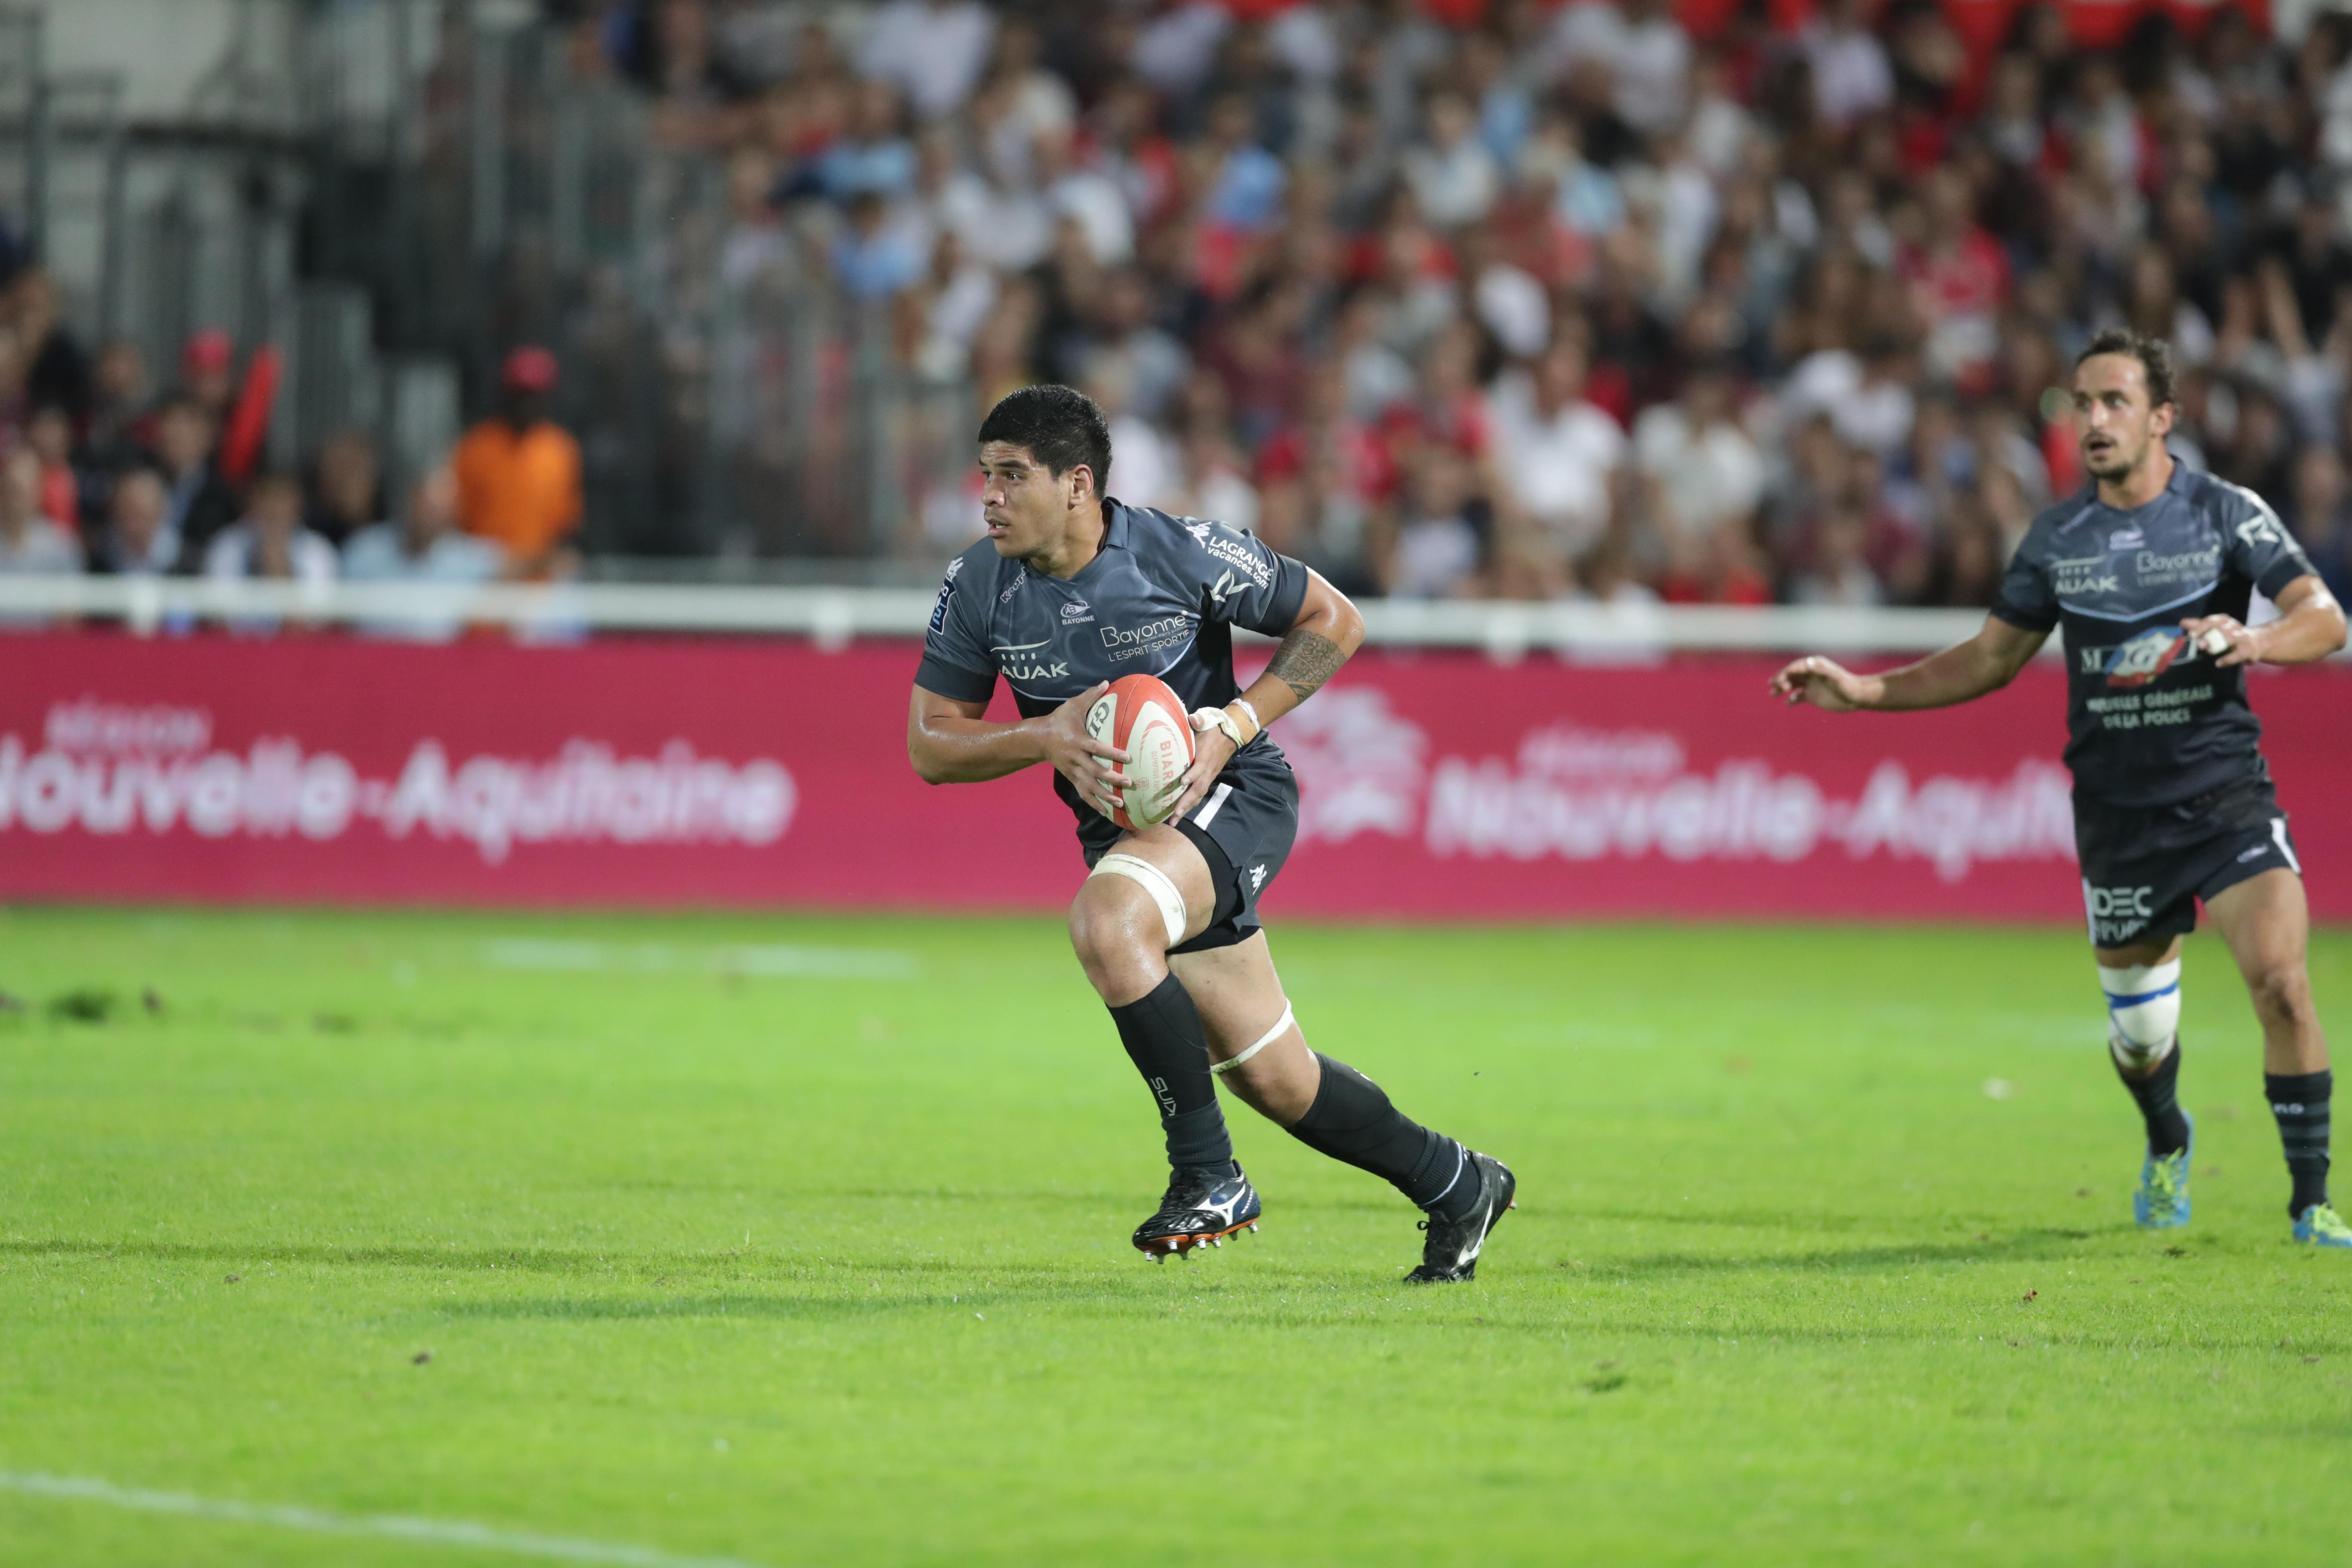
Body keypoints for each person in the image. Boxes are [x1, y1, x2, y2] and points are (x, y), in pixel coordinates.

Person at [906, 384, 1515, 1279]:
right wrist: (1043, 735)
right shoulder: (980, 585)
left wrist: (1231, 724)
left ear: (1078, 485)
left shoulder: (1177, 549)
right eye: (984, 477)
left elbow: (1335, 620)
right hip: (1136, 836)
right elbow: (932, 744)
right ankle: (1459, 1183)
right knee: (1277, 1078)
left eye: (1011, 477)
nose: (989, 497)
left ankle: (1208, 1174)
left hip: (1232, 793)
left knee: (1108, 924)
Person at [1770, 328, 2351, 1249]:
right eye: (2083, 403)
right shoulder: (2057, 540)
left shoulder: (2225, 513)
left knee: (2281, 982)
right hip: (2119, 818)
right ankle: (2169, 1138)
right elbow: (1993, 659)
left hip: (2225, 795)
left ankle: (2310, 1202)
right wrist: (1866, 691)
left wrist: (2256, 642)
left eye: (2115, 401)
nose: (2094, 419)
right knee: (2143, 1040)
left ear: (2163, 418)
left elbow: (2323, 618)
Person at [453, 346, 584, 579]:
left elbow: (565, 527)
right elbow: (459, 526)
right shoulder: (477, 447)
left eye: (534, 395)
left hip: (540, 583)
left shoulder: (560, 450)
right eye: (520, 394)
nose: (527, 403)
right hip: (484, 579)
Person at [342, 464, 503, 641]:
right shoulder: (363, 550)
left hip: (437, 663)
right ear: (410, 498)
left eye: (437, 509)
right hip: (366, 659)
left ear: (452, 513)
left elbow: (521, 565)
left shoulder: (469, 559)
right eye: (423, 503)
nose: (427, 515)